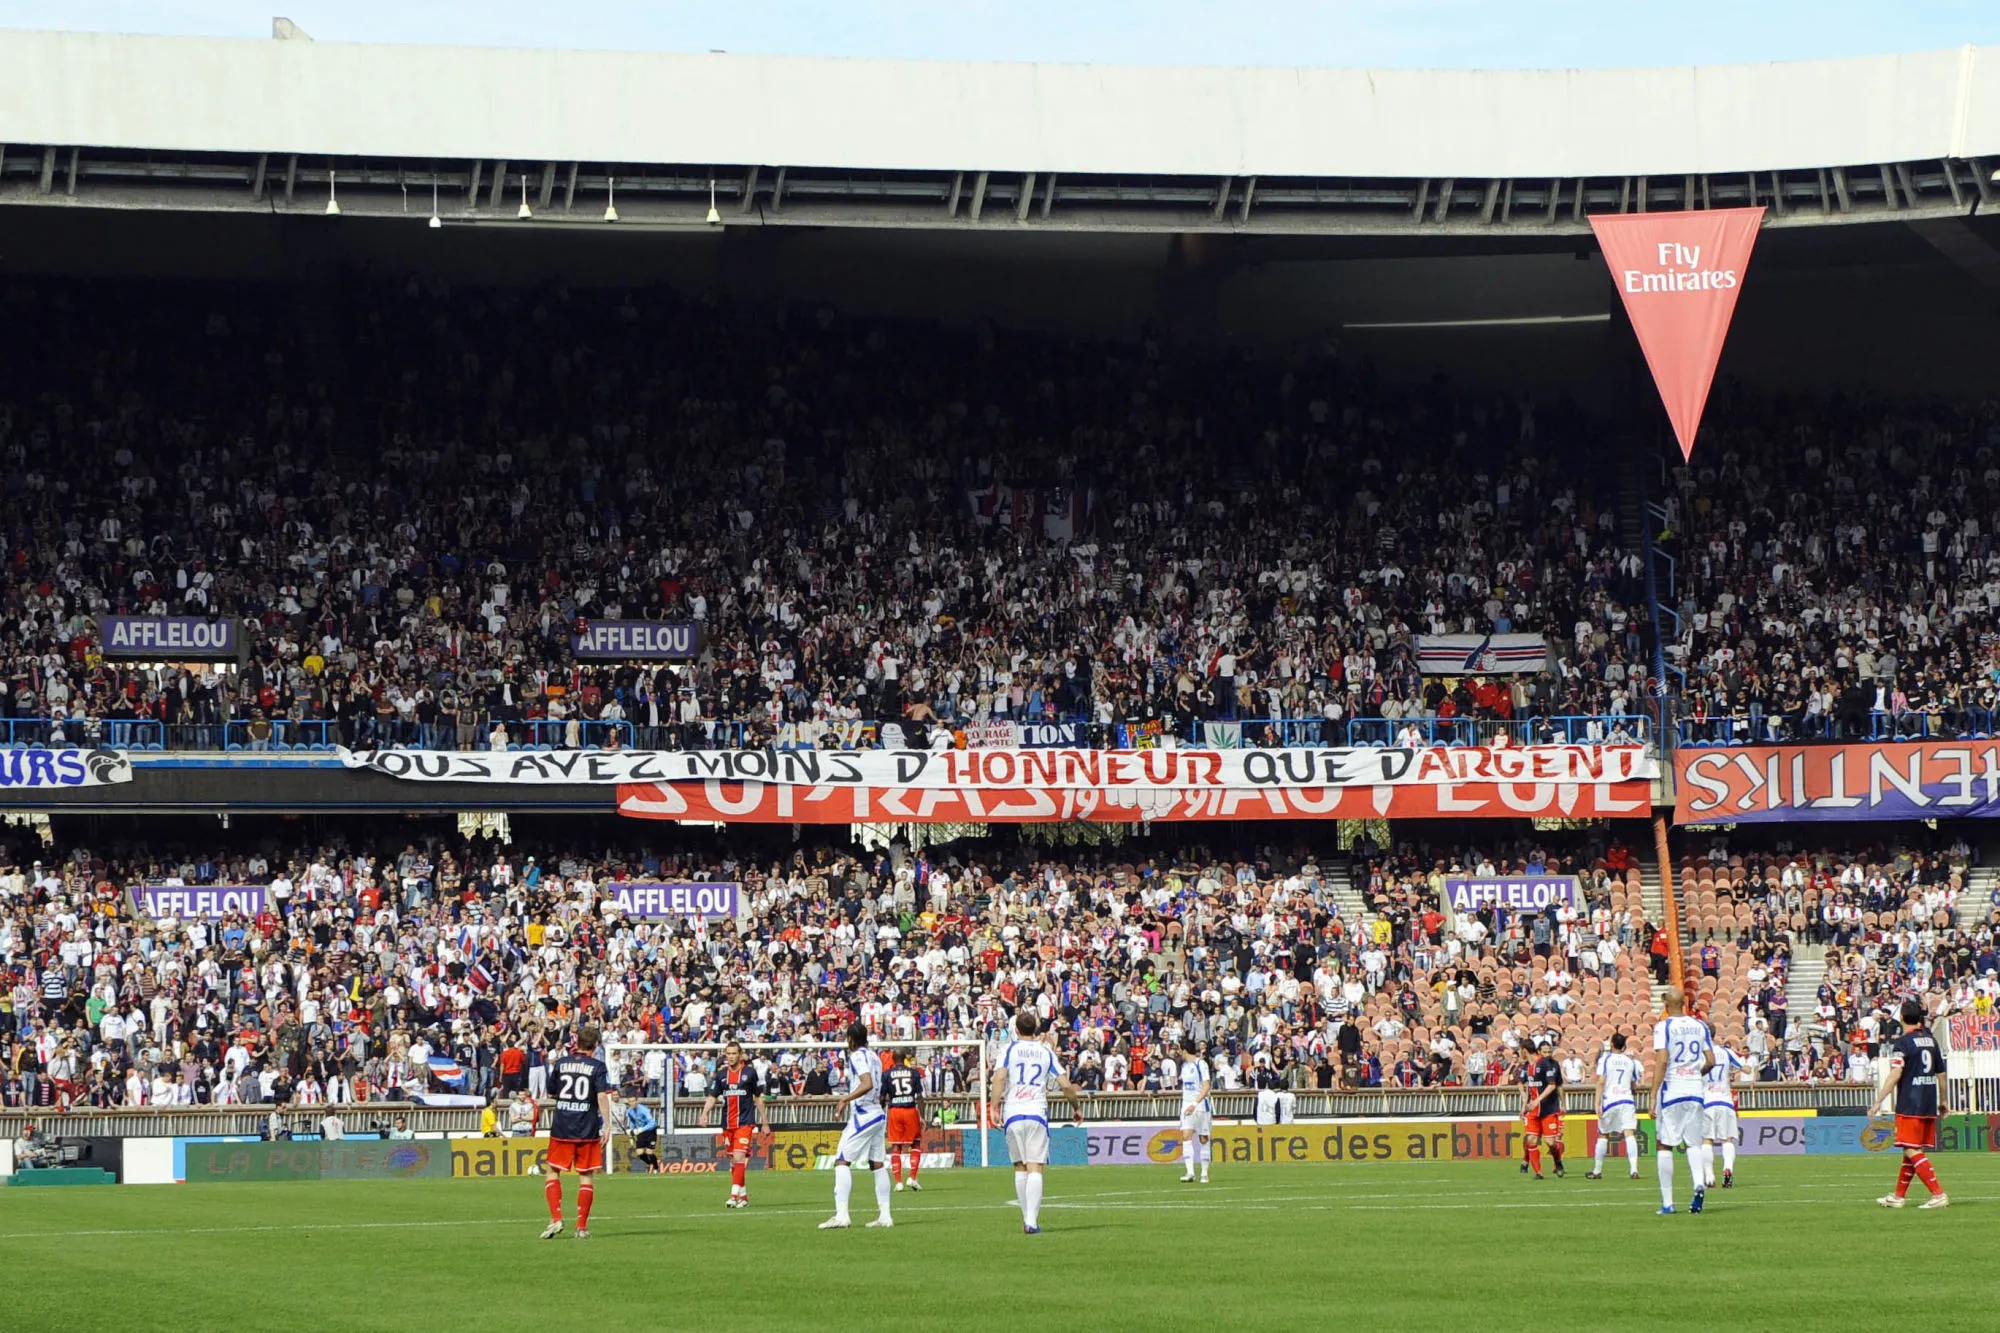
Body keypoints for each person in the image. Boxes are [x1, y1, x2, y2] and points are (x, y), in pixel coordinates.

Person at [988, 1011, 1083, 1235]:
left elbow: (999, 1078)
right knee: (1035, 1167)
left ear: (1016, 1030)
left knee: (1019, 1166)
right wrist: (1076, 1107)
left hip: (1012, 1112)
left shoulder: (1008, 1050)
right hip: (1036, 1113)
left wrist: (993, 1107)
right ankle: (1031, 1221)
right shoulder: (1045, 1051)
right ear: (1035, 1030)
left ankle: (1026, 1217)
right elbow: (1066, 1085)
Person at [1871, 998, 1948, 1209]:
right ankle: (1898, 1196)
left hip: (1910, 1102)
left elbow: (1896, 1073)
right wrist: (1943, 1100)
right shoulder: (1931, 1041)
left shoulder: (1903, 1043)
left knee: (1912, 1150)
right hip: (1928, 1102)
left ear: (1902, 1018)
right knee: (1911, 1148)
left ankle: (1938, 1194)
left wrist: (1878, 1100)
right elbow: (1941, 1073)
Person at [541, 1024, 612, 1240]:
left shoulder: (562, 1063)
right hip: (587, 1127)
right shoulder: (598, 1066)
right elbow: (601, 1096)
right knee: (586, 1176)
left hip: (562, 1125)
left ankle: (556, 1219)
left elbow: (552, 1091)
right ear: (596, 1044)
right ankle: (581, 1227)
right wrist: (607, 1124)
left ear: (576, 1042)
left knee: (553, 1171)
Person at [820, 1022, 893, 1230]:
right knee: (877, 1164)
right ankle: (885, 1216)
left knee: (842, 1161)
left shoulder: (857, 1056)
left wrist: (845, 1099)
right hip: (878, 1114)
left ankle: (842, 1215)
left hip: (864, 1114)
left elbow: (866, 1082)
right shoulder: (875, 1057)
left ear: (850, 1039)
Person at [1650, 987, 1714, 1215]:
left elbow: (1662, 1060)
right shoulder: (1700, 1025)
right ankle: (1698, 1182)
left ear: (1666, 1003)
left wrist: (1653, 1093)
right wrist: (1696, 1074)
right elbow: (1711, 1060)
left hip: (1673, 1090)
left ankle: (1668, 1203)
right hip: (1695, 1091)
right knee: (1694, 1143)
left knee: (1664, 1144)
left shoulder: (1664, 1026)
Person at [701, 1040, 763, 1208]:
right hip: (728, 1124)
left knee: (738, 1157)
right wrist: (705, 1113)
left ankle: (733, 1195)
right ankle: (744, 1197)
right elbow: (713, 1096)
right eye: (728, 1054)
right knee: (733, 1163)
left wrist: (765, 1121)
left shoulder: (750, 1073)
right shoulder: (721, 1075)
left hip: (745, 1122)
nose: (731, 1056)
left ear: (740, 1054)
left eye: (734, 1053)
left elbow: (758, 1097)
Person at [1587, 1033, 1642, 1181]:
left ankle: (1597, 1171)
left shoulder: (1606, 1059)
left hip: (1610, 1100)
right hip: (1627, 1100)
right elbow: (1634, 1085)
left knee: (1603, 1134)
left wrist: (1597, 1103)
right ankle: (1634, 1169)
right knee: (1629, 1133)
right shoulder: (1630, 1062)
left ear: (1611, 1044)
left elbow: (1601, 1081)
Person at [1700, 1043, 1747, 1190]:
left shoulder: (1700, 1053)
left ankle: (1709, 1177)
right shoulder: (1726, 1052)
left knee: (1706, 1140)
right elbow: (1746, 1068)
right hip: (1725, 1101)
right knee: (1727, 1139)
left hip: (1707, 1101)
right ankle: (1728, 1169)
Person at [883, 1050, 925, 1192]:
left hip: (894, 1111)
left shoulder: (887, 1074)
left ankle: (898, 1182)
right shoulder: (914, 1073)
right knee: (916, 1143)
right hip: (910, 1110)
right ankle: (912, 1178)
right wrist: (923, 1116)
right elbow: (919, 1096)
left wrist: (882, 1114)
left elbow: (882, 1097)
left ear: (893, 1059)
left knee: (896, 1146)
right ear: (905, 1059)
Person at [1522, 1038, 1565, 1179]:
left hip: (1548, 1109)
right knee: (1531, 1140)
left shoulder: (1546, 1063)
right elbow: (1529, 1087)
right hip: (1533, 1111)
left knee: (1550, 1142)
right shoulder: (1527, 1067)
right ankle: (1538, 1173)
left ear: (1524, 1051)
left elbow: (1552, 1085)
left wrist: (1537, 1101)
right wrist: (1524, 1106)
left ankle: (1557, 1161)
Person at [1177, 1036, 1212, 1184]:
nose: (1178, 1052)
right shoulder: (1184, 1066)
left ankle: (1204, 1173)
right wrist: (1187, 1104)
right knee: (1186, 1136)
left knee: (1203, 1138)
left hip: (1201, 1105)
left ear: (1184, 1050)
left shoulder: (1201, 1064)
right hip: (1186, 1105)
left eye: (1179, 1049)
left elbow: (1206, 1086)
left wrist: (1195, 1103)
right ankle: (1190, 1172)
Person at [625, 1097, 660, 1174]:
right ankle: (650, 1164)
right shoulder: (629, 1111)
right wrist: (631, 1134)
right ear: (629, 1103)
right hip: (640, 1132)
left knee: (649, 1152)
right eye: (630, 1101)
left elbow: (652, 1123)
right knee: (639, 1153)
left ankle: (656, 1168)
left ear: (637, 1101)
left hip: (650, 1131)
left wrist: (642, 1129)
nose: (632, 1103)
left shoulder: (644, 1110)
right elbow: (632, 1122)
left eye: (634, 1101)